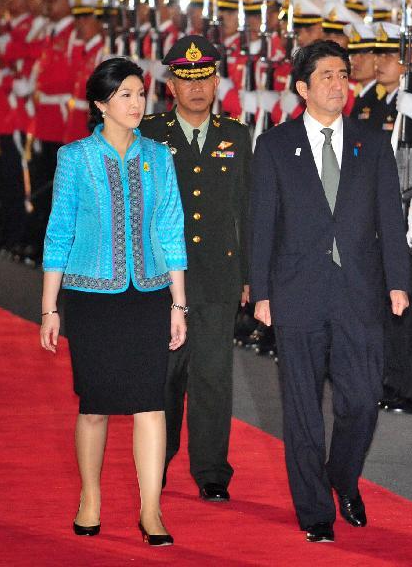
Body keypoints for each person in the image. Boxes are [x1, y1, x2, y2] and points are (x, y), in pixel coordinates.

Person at [249, 40, 411, 542]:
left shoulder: (372, 142)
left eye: (343, 75)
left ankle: (341, 476)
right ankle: (315, 510)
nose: (339, 84)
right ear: (302, 87)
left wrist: (399, 281)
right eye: (326, 76)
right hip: (296, 292)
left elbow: (391, 217)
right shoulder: (275, 146)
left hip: (359, 292)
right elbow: (261, 224)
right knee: (301, 408)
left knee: (362, 401)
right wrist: (260, 291)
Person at [38, 57, 187, 547]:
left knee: (151, 405)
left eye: (141, 93)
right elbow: (59, 233)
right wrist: (49, 307)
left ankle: (151, 510)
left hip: (147, 294)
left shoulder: (159, 157)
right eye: (125, 94)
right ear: (100, 104)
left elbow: (171, 231)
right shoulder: (75, 158)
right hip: (91, 297)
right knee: (96, 406)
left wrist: (177, 303)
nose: (137, 102)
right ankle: (90, 497)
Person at [140, 35, 251, 502]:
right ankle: (157, 462)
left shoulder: (236, 135)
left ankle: (211, 473)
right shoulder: (149, 134)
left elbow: (247, 209)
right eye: (187, 80)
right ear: (170, 84)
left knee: (211, 377)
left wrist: (250, 276)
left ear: (216, 80)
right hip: (162, 278)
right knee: (165, 376)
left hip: (218, 276)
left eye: (205, 78)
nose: (197, 88)